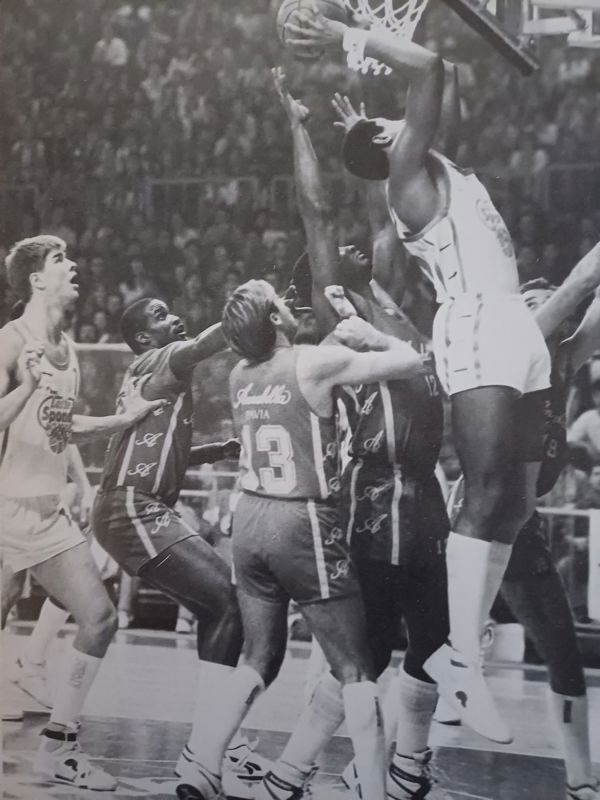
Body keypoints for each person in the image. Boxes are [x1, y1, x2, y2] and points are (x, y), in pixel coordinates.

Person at [285, 12, 552, 743]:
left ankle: (464, 657)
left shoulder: (433, 165)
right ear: (389, 145)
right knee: (487, 492)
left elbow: (449, 76)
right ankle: (464, 663)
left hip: (511, 322)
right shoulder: (407, 177)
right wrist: (345, 31)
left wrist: (366, 105)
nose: (407, 117)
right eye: (391, 123)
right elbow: (430, 68)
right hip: (476, 321)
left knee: (516, 503)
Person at [258, 68, 451, 800]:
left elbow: (386, 214)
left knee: (438, 642)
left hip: (425, 499)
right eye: (342, 254)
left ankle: (407, 765)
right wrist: (299, 129)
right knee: (361, 660)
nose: (355, 251)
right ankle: (293, 770)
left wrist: (369, 145)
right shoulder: (337, 310)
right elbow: (315, 212)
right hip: (370, 503)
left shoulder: (392, 297)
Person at [175, 278, 430, 800]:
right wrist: (370, 334)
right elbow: (412, 361)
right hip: (302, 520)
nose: (290, 304)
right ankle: (375, 789)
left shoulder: (239, 373)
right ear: (273, 318)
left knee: (259, 658)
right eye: (279, 301)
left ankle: (201, 763)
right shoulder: (312, 362)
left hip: (250, 521)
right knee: (356, 668)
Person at [0, 235, 165, 789]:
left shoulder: (67, 348)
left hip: (45, 513)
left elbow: (62, 425)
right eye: (59, 260)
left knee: (99, 617)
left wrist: (122, 421)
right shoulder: (10, 341)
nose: (72, 266)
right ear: (36, 280)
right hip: (4, 507)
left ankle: (58, 745)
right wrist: (25, 385)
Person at [90, 298, 266, 795]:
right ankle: (213, 743)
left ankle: (215, 741)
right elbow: (203, 345)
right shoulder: (160, 359)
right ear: (145, 338)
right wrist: (246, 307)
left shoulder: (155, 382)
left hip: (132, 506)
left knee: (220, 607)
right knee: (228, 601)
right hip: (132, 506)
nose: (173, 318)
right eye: (161, 315)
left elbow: (169, 453)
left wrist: (217, 451)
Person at [444, 278, 600, 800]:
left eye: (548, 301)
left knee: (561, 649)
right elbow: (573, 296)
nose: (547, 310)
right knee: (435, 649)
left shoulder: (561, 361)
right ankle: (396, 757)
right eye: (535, 303)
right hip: (478, 524)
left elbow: (592, 317)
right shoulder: (510, 352)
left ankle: (581, 779)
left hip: (519, 526)